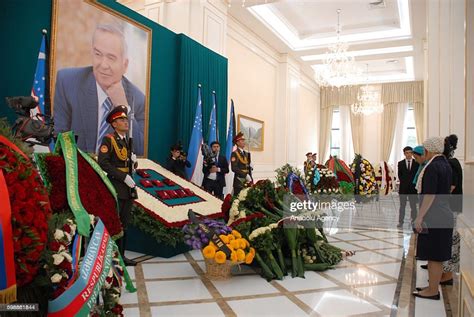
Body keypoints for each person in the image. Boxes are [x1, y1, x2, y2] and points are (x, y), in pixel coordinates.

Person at [54, 24, 145, 155]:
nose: (103, 65)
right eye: (98, 54)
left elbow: (140, 151)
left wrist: (123, 106)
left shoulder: (139, 100)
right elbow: (59, 139)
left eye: (111, 58)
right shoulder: (67, 82)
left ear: (124, 65)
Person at [413, 137, 454, 300]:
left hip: (434, 215)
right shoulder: (445, 164)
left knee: (434, 254)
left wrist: (419, 217)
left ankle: (432, 291)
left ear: (428, 150)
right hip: (443, 213)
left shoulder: (433, 167)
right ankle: (432, 287)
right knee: (434, 254)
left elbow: (430, 194)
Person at [98, 105, 138, 266]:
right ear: (114, 124)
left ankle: (121, 256)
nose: (125, 121)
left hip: (128, 188)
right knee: (115, 223)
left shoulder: (126, 141)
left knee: (125, 222)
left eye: (125, 119)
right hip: (116, 186)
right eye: (121, 119)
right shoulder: (109, 139)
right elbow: (103, 163)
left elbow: (126, 163)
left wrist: (134, 164)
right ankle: (111, 257)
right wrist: (123, 177)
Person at [435, 134, 463, 284]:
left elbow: (450, 188)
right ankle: (445, 273)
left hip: (451, 207)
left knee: (450, 240)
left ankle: (448, 275)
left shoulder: (451, 163)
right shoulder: (451, 162)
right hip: (452, 207)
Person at [397, 146, 419, 228]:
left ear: (412, 153)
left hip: (413, 189)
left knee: (413, 206)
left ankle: (414, 221)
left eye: (410, 152)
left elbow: (417, 175)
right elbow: (400, 175)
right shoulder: (400, 163)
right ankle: (400, 222)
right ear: (404, 154)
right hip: (403, 188)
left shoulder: (416, 163)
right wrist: (405, 183)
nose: (409, 154)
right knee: (402, 206)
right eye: (407, 153)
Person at [231, 132, 252, 196]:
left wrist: (250, 168)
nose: (244, 142)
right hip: (239, 181)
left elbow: (247, 166)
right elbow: (234, 168)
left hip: (247, 180)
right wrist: (245, 175)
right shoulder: (234, 153)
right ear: (237, 143)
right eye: (242, 140)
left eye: (244, 140)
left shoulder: (246, 153)